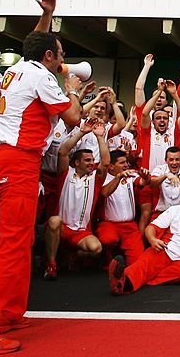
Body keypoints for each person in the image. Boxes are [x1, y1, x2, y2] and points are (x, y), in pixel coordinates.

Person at [0, 0, 89, 355]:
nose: (64, 61)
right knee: (10, 244)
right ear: (50, 57)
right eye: (61, 55)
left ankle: (9, 313)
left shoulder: (19, 67)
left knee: (19, 241)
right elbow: (74, 117)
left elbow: (35, 45)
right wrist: (72, 88)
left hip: (7, 161)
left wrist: (46, 16)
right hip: (17, 163)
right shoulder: (43, 76)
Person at [43, 118, 110, 279]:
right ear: (77, 162)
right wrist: (82, 132)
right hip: (62, 228)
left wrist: (100, 138)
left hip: (81, 232)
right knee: (54, 221)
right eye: (87, 161)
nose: (91, 163)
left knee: (96, 249)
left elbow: (106, 163)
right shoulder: (66, 174)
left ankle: (74, 256)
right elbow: (63, 152)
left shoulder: (94, 178)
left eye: (92, 160)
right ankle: (51, 264)